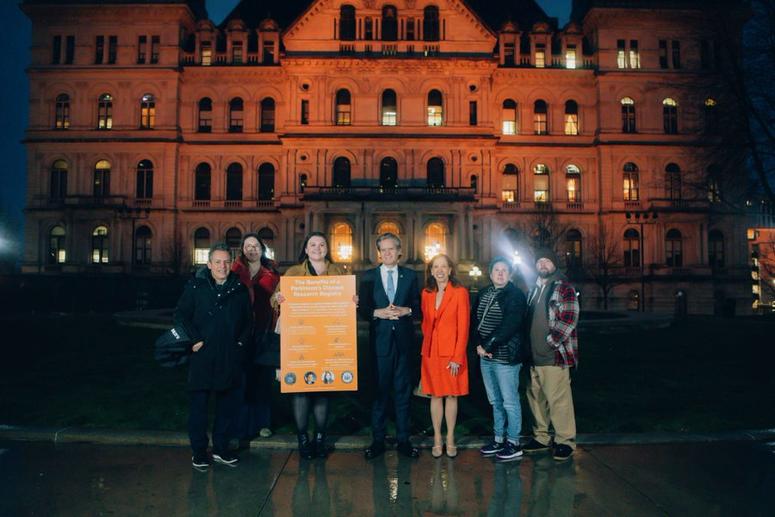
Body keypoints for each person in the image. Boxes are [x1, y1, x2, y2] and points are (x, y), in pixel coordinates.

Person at [174, 242, 252, 469]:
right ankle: (199, 451)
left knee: (227, 407)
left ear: (231, 264)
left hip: (229, 356)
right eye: (217, 262)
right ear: (208, 264)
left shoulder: (239, 289)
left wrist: (239, 344)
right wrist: (194, 340)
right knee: (199, 408)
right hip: (202, 356)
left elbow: (248, 322)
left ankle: (220, 448)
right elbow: (181, 316)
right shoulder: (196, 287)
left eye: (226, 261)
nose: (222, 266)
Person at [275, 231, 348, 459]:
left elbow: (346, 303)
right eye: (313, 244)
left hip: (327, 340)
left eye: (322, 244)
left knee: (323, 392)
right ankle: (303, 440)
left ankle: (320, 439)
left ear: (327, 249)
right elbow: (275, 299)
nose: (317, 248)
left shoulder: (339, 272)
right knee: (300, 391)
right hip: (300, 339)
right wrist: (277, 299)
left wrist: (352, 300)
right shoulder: (294, 272)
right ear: (305, 249)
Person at [358, 232, 421, 460]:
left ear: (399, 251)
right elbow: (362, 307)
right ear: (379, 253)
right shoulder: (368, 276)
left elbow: (418, 305)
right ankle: (378, 441)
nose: (387, 253)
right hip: (379, 344)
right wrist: (377, 313)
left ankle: (404, 440)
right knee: (380, 392)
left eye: (391, 249)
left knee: (403, 393)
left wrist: (408, 311)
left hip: (404, 343)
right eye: (383, 250)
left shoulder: (411, 275)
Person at [524, 248, 579, 461]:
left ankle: (565, 440)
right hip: (533, 357)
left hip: (554, 356)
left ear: (554, 265)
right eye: (539, 262)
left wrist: (551, 343)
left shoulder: (563, 288)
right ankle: (541, 437)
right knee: (536, 399)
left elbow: (569, 318)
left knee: (559, 401)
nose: (543, 265)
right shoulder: (533, 289)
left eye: (547, 261)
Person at [472, 257, 528, 462]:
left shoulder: (515, 295)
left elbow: (510, 325)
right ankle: (498, 438)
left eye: (505, 270)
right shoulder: (484, 293)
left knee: (509, 401)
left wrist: (487, 346)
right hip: (485, 357)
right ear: (490, 272)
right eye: (497, 269)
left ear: (510, 274)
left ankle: (513, 442)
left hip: (506, 357)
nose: (501, 273)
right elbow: (476, 322)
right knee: (495, 400)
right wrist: (479, 345)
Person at [231, 233, 280, 442]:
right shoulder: (234, 272)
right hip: (241, 333)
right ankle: (243, 425)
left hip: (264, 331)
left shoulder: (272, 273)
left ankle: (263, 423)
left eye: (256, 246)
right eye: (248, 246)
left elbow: (280, 300)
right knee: (242, 379)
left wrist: (279, 299)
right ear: (243, 249)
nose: (252, 249)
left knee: (263, 380)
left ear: (262, 248)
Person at [420, 254, 470, 458]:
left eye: (444, 266)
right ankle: (437, 438)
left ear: (450, 270)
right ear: (431, 271)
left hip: (452, 355)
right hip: (431, 353)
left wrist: (457, 357)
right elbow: (425, 323)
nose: (440, 270)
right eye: (435, 267)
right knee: (435, 395)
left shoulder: (460, 293)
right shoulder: (426, 293)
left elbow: (464, 326)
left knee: (451, 395)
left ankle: (450, 437)